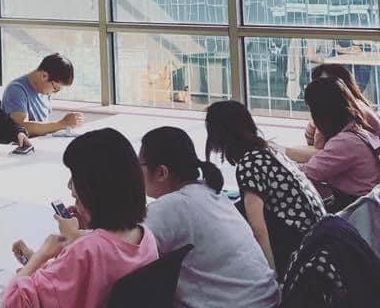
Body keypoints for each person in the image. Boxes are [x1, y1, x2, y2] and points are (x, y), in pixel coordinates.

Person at [4, 128, 157, 308]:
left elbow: (13, 301)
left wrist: (41, 255)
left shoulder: (86, 251)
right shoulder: (146, 238)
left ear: (95, 184)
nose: (70, 186)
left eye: (74, 177)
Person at [139, 126, 279, 308]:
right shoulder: (211, 192)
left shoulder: (174, 206)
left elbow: (125, 248)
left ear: (161, 172)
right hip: (268, 299)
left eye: (139, 165)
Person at [205, 99, 325, 279]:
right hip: (316, 242)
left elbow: (258, 229)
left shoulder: (250, 163)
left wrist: (271, 277)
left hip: (298, 251)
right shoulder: (269, 152)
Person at [285, 77, 380, 207]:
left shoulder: (345, 142)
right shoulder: (358, 130)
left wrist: (279, 163)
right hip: (362, 203)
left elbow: (309, 173)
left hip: (354, 206)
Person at [299, 63, 380, 156]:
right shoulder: (355, 104)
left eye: (327, 83)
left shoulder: (351, 110)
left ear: (341, 83)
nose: (321, 88)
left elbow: (319, 146)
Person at [1, 53, 83, 137]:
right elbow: (22, 127)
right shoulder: (16, 90)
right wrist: (62, 124)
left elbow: (44, 127)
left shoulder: (43, 91)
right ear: (44, 76)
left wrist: (64, 125)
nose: (54, 93)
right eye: (55, 88)